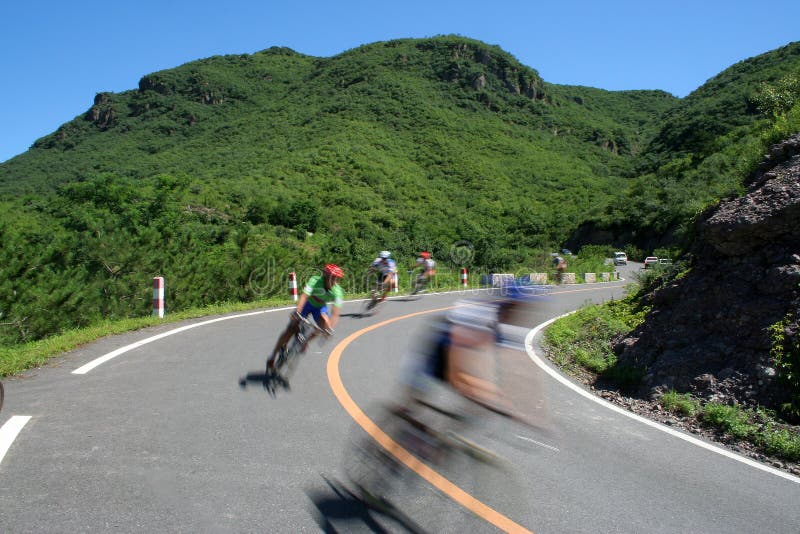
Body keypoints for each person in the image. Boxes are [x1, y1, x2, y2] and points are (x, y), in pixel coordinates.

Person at [267, 263, 345, 370]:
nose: (335, 281)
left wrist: (329, 329)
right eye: (333, 278)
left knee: (325, 325)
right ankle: (273, 355)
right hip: (307, 304)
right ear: (326, 276)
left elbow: (335, 313)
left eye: (337, 279)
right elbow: (304, 296)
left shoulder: (338, 291)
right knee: (291, 328)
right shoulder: (315, 280)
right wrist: (297, 312)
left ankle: (305, 342)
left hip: (320, 307)